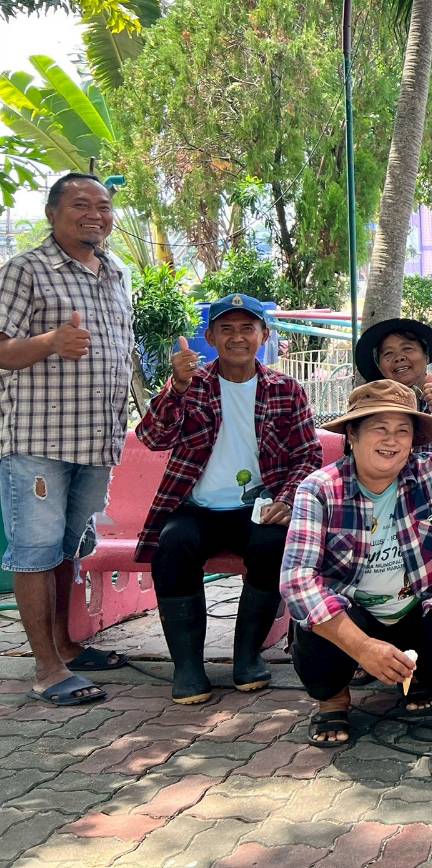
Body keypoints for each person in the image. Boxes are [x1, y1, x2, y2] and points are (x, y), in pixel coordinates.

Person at [282, 380, 432, 747]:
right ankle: (334, 698)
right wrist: (363, 647)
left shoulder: (428, 471)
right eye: (380, 428)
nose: (391, 440)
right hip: (352, 612)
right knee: (314, 622)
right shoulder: (319, 489)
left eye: (402, 431)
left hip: (416, 606)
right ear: (352, 434)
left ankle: (414, 675)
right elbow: (296, 580)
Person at [133, 294, 321, 704]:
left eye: (247, 328)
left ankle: (247, 655)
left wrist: (287, 499)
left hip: (256, 509)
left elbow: (308, 455)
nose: (238, 337)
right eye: (227, 329)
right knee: (172, 545)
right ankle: (187, 666)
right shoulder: (192, 385)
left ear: (264, 335)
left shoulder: (286, 390)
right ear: (211, 337)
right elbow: (152, 438)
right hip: (196, 508)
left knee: (275, 544)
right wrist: (176, 388)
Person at [0, 172, 134, 708]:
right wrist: (51, 341)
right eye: (81, 204)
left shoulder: (116, 273)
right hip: (38, 441)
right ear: (53, 213)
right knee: (35, 552)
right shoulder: (25, 270)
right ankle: (47, 669)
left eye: (103, 206)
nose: (94, 215)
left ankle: (66, 646)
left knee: (68, 548)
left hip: (97, 442)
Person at [355, 318, 432, 466]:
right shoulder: (370, 406)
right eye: (388, 353)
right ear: (380, 367)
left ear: (426, 356)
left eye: (407, 348)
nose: (399, 358)